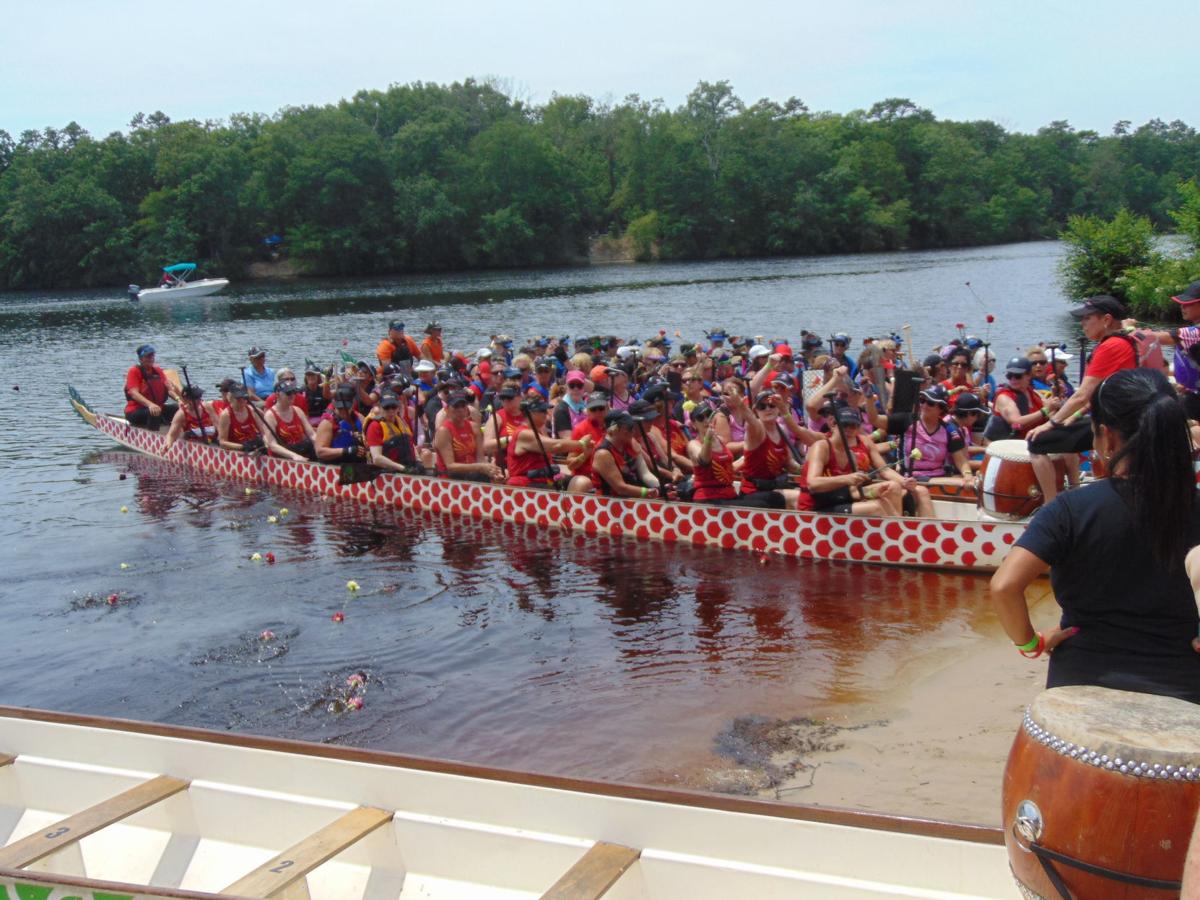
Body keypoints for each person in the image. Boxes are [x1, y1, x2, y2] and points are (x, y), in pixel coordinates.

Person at [990, 368, 1200, 704]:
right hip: (1184, 688)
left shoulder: (1070, 509)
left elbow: (1004, 586)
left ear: (1108, 437)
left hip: (1081, 683)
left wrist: (1032, 643)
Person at [802, 404, 906, 516]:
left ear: (858, 428)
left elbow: (852, 490)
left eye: (853, 426)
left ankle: (899, 529)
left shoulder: (851, 453)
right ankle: (896, 530)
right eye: (844, 425)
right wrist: (847, 479)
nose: (848, 430)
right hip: (814, 507)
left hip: (838, 499)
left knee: (889, 493)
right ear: (833, 424)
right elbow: (812, 484)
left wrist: (871, 493)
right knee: (876, 507)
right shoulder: (821, 447)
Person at [687, 404, 784, 508]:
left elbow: (729, 468)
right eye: (701, 418)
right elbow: (704, 461)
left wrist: (752, 456)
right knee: (761, 505)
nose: (706, 420)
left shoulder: (720, 440)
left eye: (709, 415)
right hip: (709, 500)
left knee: (776, 498)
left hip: (729, 496)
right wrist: (708, 439)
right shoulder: (693, 444)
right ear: (694, 424)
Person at [506, 398, 585, 487]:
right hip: (526, 483)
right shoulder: (524, 433)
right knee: (580, 482)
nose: (546, 413)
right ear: (531, 413)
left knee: (581, 482)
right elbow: (556, 446)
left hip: (545, 479)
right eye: (542, 411)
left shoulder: (540, 431)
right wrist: (582, 444)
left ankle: (566, 500)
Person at [432, 390, 501, 482]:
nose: (460, 410)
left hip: (472, 476)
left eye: (463, 406)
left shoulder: (474, 427)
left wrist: (491, 471)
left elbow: (480, 458)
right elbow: (450, 466)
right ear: (447, 409)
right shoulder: (444, 431)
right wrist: (480, 467)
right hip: (450, 480)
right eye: (456, 406)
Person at [591, 410, 661, 498]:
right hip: (610, 502)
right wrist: (647, 492)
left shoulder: (630, 442)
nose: (633, 431)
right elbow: (620, 488)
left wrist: (659, 488)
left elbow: (645, 474)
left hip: (631, 498)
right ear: (614, 430)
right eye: (629, 428)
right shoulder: (603, 454)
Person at [124, 344, 179, 430]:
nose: (151, 358)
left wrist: (180, 400)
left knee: (178, 408)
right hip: (135, 411)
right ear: (141, 359)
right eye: (148, 356)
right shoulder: (134, 371)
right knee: (154, 411)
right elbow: (134, 393)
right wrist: (150, 405)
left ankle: (180, 433)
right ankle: (153, 436)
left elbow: (169, 390)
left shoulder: (157, 370)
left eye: (152, 356)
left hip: (157, 408)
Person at [263, 382, 316, 461]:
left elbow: (311, 434)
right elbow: (272, 445)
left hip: (299, 450)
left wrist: (320, 446)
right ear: (277, 395)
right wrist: (294, 456)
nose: (292, 396)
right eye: (288, 393)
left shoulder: (298, 410)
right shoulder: (270, 416)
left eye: (294, 392)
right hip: (282, 457)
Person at [314, 384, 366, 463]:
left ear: (353, 404)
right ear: (334, 404)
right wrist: (346, 450)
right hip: (334, 464)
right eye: (340, 408)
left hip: (355, 462)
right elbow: (320, 452)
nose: (343, 412)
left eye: (347, 409)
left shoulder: (360, 418)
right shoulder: (327, 423)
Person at [165, 384, 217, 449]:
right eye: (196, 397)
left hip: (210, 441)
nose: (199, 399)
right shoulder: (181, 414)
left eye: (200, 396)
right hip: (193, 445)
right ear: (187, 399)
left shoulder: (206, 407)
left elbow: (218, 425)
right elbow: (171, 435)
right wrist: (168, 444)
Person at [217, 385, 265, 452]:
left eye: (244, 397)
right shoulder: (226, 415)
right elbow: (222, 442)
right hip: (238, 451)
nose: (242, 400)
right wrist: (243, 447)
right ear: (230, 397)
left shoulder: (254, 411)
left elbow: (264, 434)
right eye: (238, 398)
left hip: (256, 448)